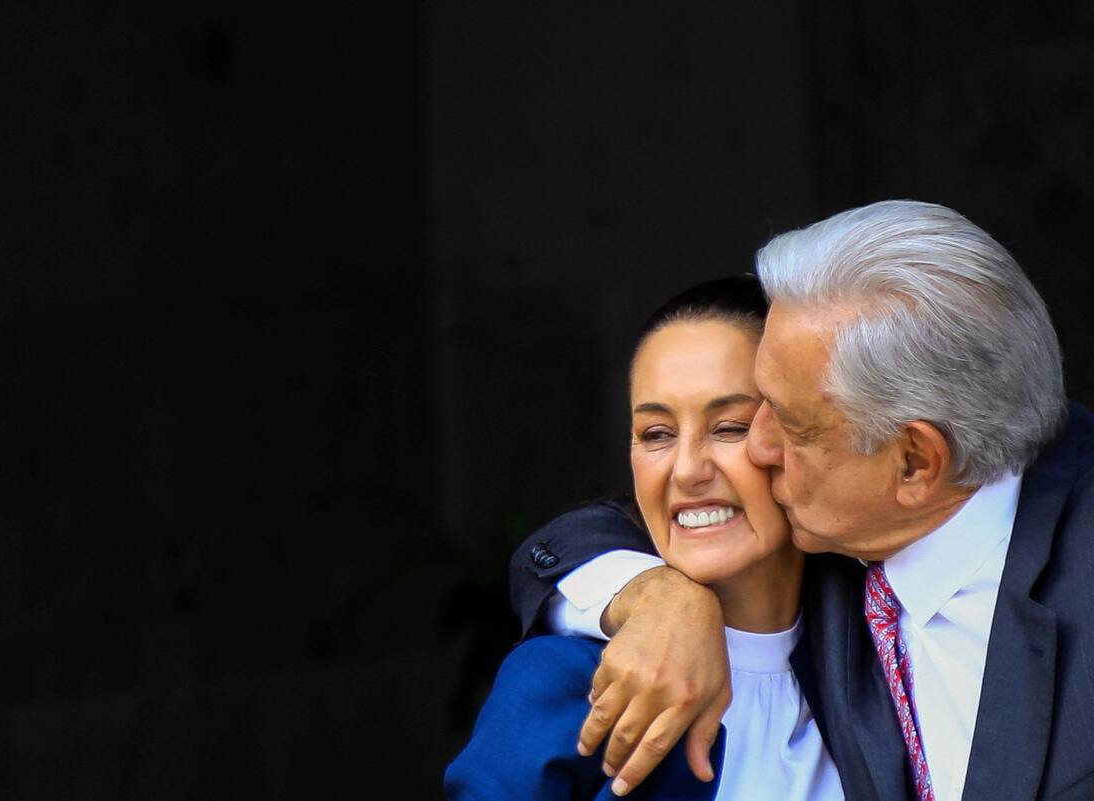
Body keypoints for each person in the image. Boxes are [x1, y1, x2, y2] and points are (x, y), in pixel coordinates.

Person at [510, 200, 1094, 801]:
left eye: (783, 420)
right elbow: (572, 541)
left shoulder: (836, 571)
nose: (759, 447)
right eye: (657, 432)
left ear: (916, 462)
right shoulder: (827, 547)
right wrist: (661, 599)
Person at [446, 276, 845, 801]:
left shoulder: (883, 653)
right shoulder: (565, 682)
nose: (686, 471)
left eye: (729, 426)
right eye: (656, 434)